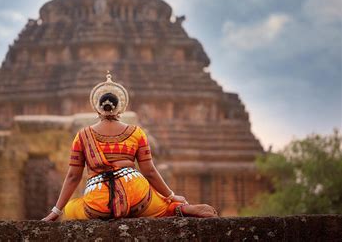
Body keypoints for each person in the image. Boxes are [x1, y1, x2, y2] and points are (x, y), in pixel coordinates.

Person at [42, 72, 218, 221]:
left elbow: (73, 177)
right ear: (120, 109)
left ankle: (101, 210)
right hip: (138, 195)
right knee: (164, 207)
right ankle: (181, 209)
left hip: (99, 200)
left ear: (98, 109)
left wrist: (56, 211)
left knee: (72, 209)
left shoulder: (83, 136)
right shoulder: (136, 132)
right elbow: (149, 171)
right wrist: (172, 196)